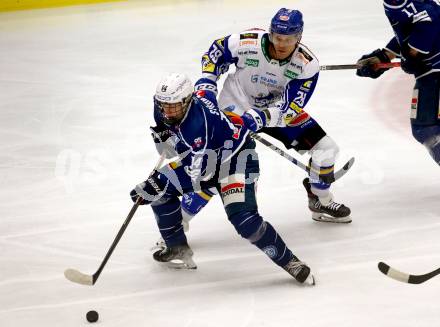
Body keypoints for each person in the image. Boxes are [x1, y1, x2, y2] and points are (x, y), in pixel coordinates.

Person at [130, 72, 315, 285]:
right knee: (159, 194)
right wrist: (163, 138)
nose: (168, 111)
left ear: (188, 101)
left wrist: (158, 183)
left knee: (245, 222)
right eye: (164, 105)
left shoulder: (199, 126)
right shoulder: (166, 107)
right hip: (203, 158)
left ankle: (290, 261)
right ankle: (177, 247)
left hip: (236, 161)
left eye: (174, 106)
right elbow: (205, 88)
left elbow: (201, 175)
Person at [179, 8, 351, 227]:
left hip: (274, 113)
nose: (281, 44)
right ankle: (178, 223)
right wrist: (207, 81)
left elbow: (290, 108)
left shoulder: (307, 64)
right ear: (270, 33)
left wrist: (259, 117)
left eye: (288, 39)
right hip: (235, 106)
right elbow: (216, 52)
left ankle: (320, 199)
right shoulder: (247, 42)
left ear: (299, 38)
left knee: (327, 150)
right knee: (220, 165)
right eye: (278, 37)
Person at [356, 0, 440, 165]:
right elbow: (408, 30)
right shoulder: (396, 3)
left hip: (434, 72)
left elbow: (430, 18)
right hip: (432, 71)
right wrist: (385, 56)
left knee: (426, 129)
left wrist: (413, 54)